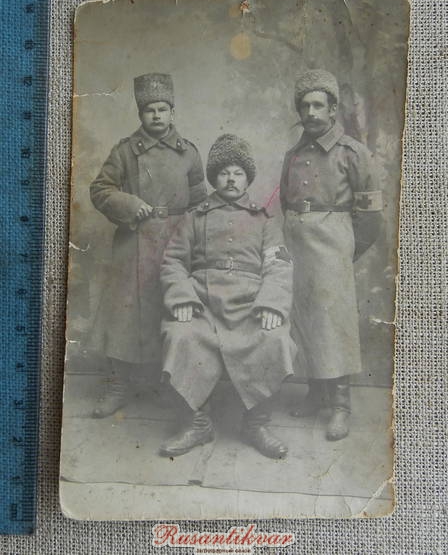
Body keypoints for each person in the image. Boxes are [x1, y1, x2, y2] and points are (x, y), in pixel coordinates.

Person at [159, 134, 295, 459]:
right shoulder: (195, 217)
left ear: (248, 178)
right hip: (202, 304)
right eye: (223, 173)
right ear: (213, 178)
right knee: (181, 335)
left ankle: (256, 424)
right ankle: (198, 423)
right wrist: (182, 298)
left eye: (238, 173)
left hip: (251, 305)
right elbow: (173, 261)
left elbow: (278, 264)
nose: (231, 179)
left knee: (274, 337)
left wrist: (271, 304)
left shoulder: (264, 220)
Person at [89, 73, 207, 418]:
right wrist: (129, 204)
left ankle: (167, 384)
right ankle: (118, 385)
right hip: (135, 240)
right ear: (140, 114)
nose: (156, 115)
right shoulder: (125, 151)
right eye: (149, 110)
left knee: (171, 308)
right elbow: (100, 189)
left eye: (162, 109)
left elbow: (200, 201)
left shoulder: (188, 153)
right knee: (124, 313)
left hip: (176, 241)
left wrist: (194, 239)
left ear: (172, 112)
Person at [280, 69, 383, 441]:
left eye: (318, 105)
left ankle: (340, 406)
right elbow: (285, 200)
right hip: (299, 245)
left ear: (333, 108)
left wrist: (343, 251)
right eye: (304, 106)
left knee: (334, 324)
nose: (310, 112)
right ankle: (315, 394)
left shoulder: (352, 153)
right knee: (306, 320)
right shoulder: (294, 154)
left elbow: (370, 217)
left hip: (333, 245)